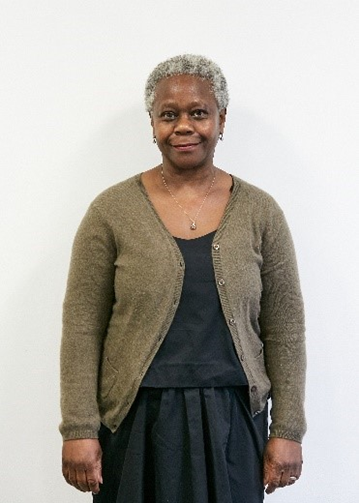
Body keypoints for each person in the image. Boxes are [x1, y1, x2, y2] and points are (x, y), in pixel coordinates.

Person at [60, 54, 306, 502]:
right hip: (135, 422)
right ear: (152, 124)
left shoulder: (260, 212)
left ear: (221, 119)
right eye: (168, 115)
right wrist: (79, 428)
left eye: (199, 112)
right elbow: (82, 328)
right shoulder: (111, 212)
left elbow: (285, 328)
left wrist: (288, 429)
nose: (184, 126)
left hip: (233, 420)